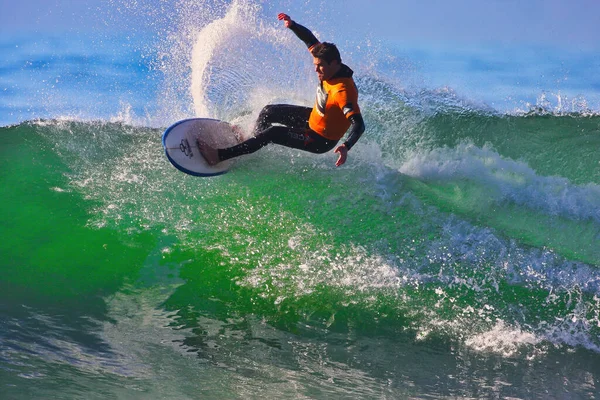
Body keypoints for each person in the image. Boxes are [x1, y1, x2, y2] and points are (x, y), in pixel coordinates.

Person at [199, 13, 365, 167]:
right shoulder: (327, 63)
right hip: (314, 118)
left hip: (319, 139)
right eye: (316, 65)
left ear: (335, 63)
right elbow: (309, 39)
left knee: (273, 133)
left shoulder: (343, 91)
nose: (316, 70)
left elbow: (358, 124)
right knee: (268, 112)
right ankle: (248, 141)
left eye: (320, 67)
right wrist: (293, 25)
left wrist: (346, 146)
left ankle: (218, 156)